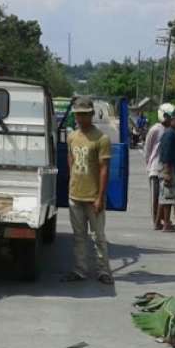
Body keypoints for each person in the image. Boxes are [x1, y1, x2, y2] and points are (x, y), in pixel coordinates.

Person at [61, 95, 113, 284]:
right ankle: (80, 270)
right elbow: (71, 160)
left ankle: (103, 271)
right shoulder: (72, 137)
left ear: (91, 114)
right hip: (75, 195)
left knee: (98, 237)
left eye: (84, 114)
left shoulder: (101, 139)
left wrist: (100, 197)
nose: (81, 118)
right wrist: (72, 182)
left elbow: (104, 169)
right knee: (79, 237)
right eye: (78, 114)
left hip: (93, 197)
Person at [144, 103, 174, 228]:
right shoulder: (155, 129)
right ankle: (156, 220)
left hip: (167, 168)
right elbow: (148, 147)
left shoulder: (172, 130)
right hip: (155, 167)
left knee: (166, 195)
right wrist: (149, 163)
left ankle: (163, 218)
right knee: (155, 196)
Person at [157, 107, 175, 232]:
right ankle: (166, 224)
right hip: (168, 167)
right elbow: (166, 154)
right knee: (168, 197)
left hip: (171, 166)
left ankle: (158, 222)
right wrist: (167, 172)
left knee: (164, 196)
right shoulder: (170, 133)